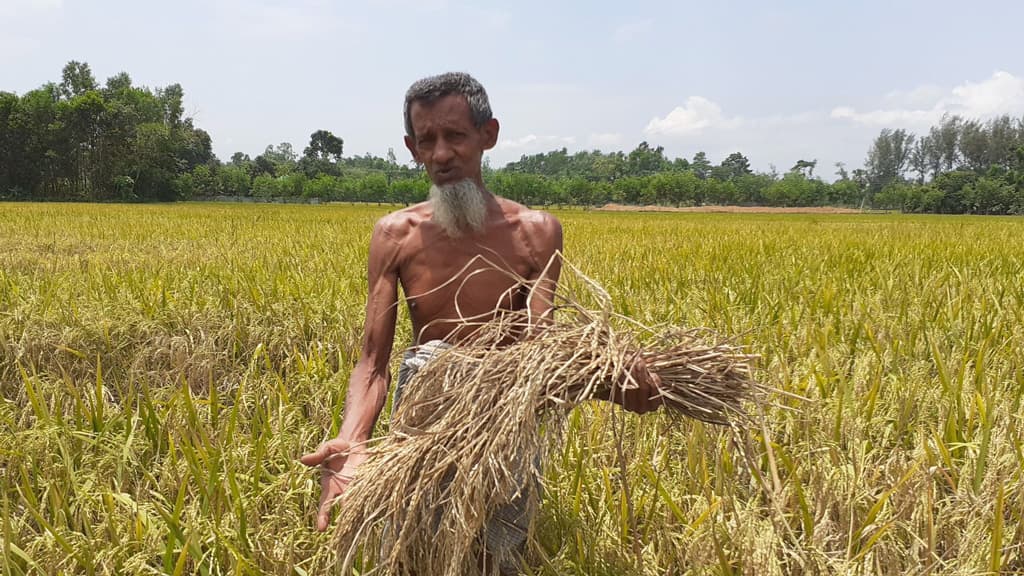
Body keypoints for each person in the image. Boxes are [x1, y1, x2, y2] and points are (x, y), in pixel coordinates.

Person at [301, 72, 661, 570]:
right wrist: (353, 438)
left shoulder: (534, 233)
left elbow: (542, 350)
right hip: (423, 413)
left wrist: (613, 374)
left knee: (497, 553)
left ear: (488, 135)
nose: (442, 154)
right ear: (412, 148)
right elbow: (373, 362)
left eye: (456, 136)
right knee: (412, 546)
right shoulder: (395, 235)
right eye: (426, 141)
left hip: (506, 412)